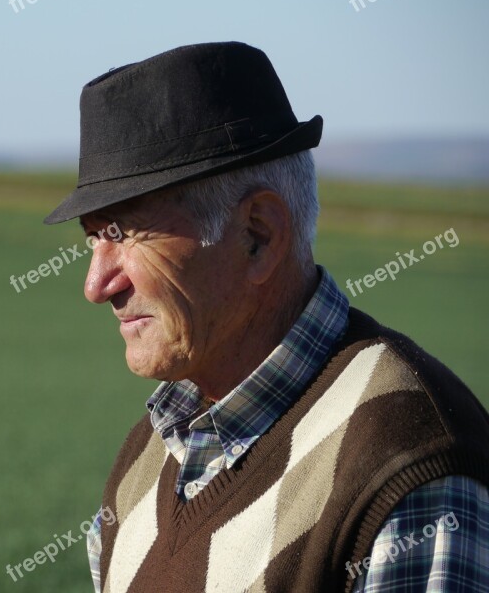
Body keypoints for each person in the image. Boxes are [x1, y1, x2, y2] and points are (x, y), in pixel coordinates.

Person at [43, 42, 489, 593]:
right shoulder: (148, 457)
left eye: (125, 234)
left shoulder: (404, 460)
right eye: (93, 240)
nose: (97, 285)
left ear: (259, 236)